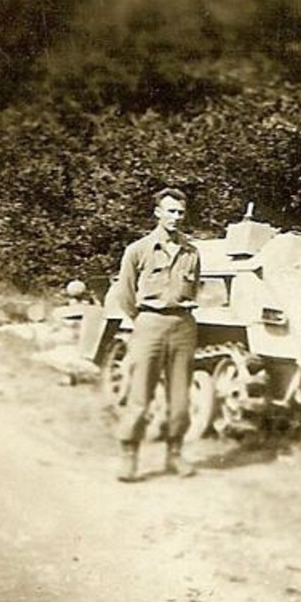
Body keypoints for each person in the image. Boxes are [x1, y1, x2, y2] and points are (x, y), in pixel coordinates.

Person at [113, 187, 200, 482]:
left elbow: (194, 286)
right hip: (149, 324)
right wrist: (143, 319)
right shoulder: (138, 250)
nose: (176, 217)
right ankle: (129, 456)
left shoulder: (192, 252)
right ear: (158, 213)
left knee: (181, 398)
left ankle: (174, 454)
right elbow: (125, 292)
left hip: (183, 326)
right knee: (140, 394)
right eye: (170, 211)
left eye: (180, 212)